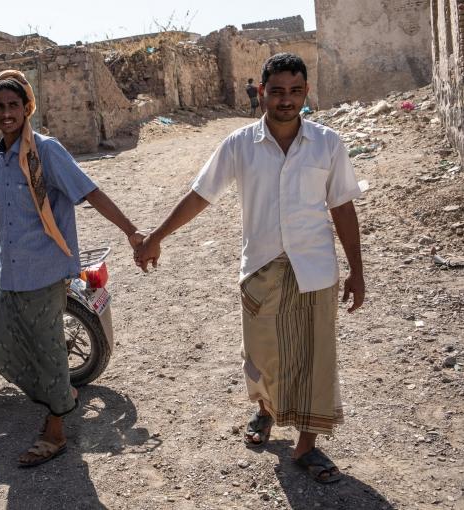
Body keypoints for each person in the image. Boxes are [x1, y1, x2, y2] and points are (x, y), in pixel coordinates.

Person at [135, 53, 365, 484]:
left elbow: (343, 206)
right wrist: (157, 236)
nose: (286, 100)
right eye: (276, 91)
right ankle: (264, 411)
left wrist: (358, 269)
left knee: (316, 359)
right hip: (260, 267)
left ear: (306, 93)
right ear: (261, 92)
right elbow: (201, 194)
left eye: (295, 91)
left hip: (315, 269)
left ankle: (308, 445)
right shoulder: (239, 144)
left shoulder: (327, 143)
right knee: (262, 354)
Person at [0, 69, 144, 467]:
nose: (7, 113)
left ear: (27, 108)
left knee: (49, 352)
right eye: (0, 106)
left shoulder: (45, 151)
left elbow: (89, 190)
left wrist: (132, 231)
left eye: (14, 105)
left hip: (45, 269)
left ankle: (55, 431)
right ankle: (61, 396)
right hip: (13, 271)